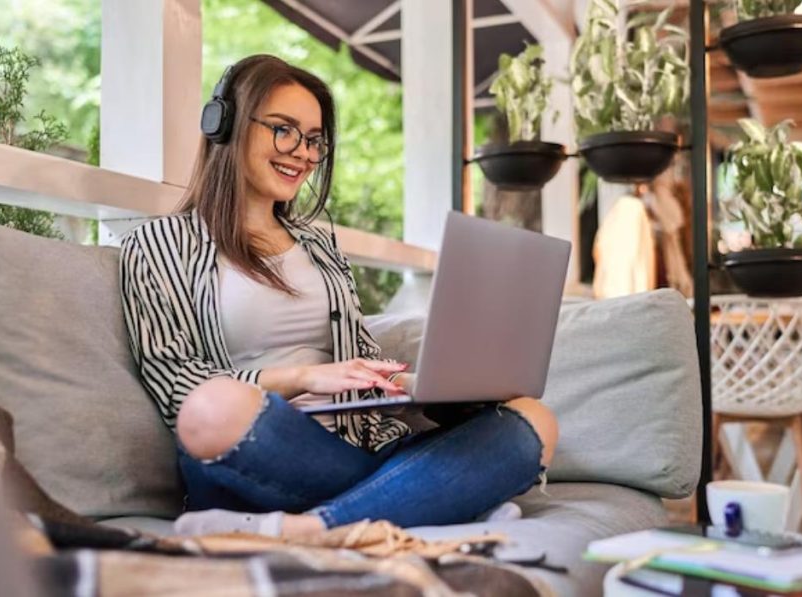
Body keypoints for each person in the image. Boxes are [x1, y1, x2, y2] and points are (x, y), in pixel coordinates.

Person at [119, 54, 558, 540]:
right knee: (214, 407)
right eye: (284, 129)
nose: (303, 153)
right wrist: (303, 376)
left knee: (533, 421)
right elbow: (176, 385)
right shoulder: (158, 244)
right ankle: (435, 499)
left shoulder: (319, 245)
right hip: (259, 448)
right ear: (225, 125)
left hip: (355, 447)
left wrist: (418, 385)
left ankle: (311, 528)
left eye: (314, 139)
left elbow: (358, 358)